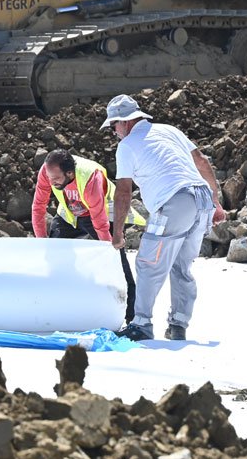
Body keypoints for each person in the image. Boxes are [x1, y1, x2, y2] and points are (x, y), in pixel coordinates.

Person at [102, 95, 226, 342]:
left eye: (113, 125)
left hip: (174, 203)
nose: (114, 132)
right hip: (201, 200)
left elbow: (124, 191)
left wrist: (117, 232)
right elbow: (201, 161)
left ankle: (141, 324)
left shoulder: (127, 146)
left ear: (125, 122)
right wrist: (216, 203)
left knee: (148, 264)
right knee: (181, 265)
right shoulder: (169, 130)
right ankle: (178, 325)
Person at [31, 149, 141, 325]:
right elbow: (38, 207)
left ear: (69, 173)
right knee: (54, 253)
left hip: (102, 211)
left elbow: (99, 221)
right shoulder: (48, 172)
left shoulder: (90, 178)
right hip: (71, 213)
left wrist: (108, 248)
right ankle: (61, 304)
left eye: (56, 179)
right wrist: (42, 242)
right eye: (50, 178)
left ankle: (131, 314)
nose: (51, 182)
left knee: (116, 260)